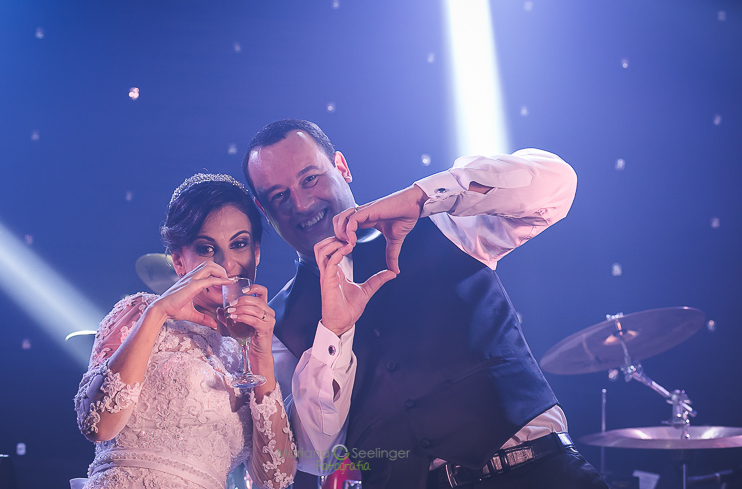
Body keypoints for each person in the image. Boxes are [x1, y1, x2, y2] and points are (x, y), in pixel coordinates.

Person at [243, 120, 608, 488]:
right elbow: (316, 455)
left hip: (536, 470)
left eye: (310, 179)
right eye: (279, 196)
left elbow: (557, 185)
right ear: (264, 209)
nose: (301, 204)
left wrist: (424, 198)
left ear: (342, 167)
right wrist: (333, 333)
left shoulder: (444, 222)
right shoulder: (275, 327)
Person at [73, 174, 297, 489]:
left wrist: (261, 357)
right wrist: (158, 313)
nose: (227, 264)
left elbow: (277, 479)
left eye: (239, 244)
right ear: (179, 261)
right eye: (206, 248)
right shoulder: (140, 312)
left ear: (256, 253)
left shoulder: (257, 348)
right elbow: (97, 424)